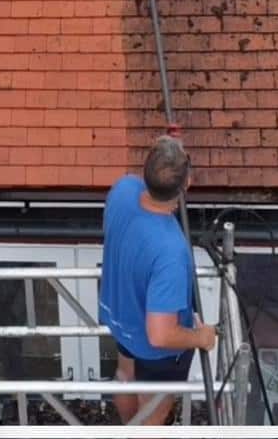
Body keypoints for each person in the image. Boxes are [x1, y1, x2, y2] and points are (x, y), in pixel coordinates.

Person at [99, 135, 217, 425]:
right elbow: (161, 335)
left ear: (145, 169)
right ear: (186, 185)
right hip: (156, 352)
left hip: (121, 318)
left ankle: (128, 427)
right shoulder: (170, 252)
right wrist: (202, 337)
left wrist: (168, 156)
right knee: (155, 406)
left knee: (126, 378)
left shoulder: (123, 189)